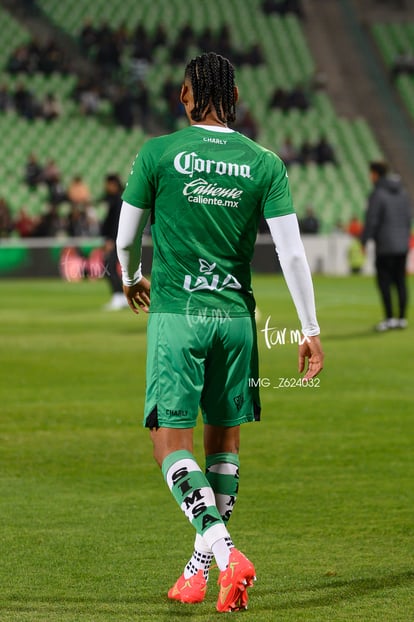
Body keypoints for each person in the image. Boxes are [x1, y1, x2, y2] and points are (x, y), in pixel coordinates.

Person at [116, 52, 323, 613]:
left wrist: (133, 277)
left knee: (169, 443)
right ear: (235, 99)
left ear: (186, 95)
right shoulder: (264, 162)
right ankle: (198, 567)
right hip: (235, 320)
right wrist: (309, 328)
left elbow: (124, 238)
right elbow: (292, 253)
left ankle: (226, 553)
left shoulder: (158, 152)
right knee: (224, 445)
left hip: (178, 316)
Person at [361, 161, 412, 331]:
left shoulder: (378, 194)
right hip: (402, 245)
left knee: (384, 282)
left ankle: (389, 318)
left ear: (375, 174)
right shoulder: (402, 193)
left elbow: (372, 220)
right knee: (400, 281)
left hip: (385, 245)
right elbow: (408, 218)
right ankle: (402, 319)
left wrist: (364, 240)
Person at [101, 173, 128, 310]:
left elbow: (116, 223)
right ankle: (121, 296)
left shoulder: (118, 201)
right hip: (117, 239)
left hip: (116, 239)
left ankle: (119, 296)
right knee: (111, 267)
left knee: (109, 266)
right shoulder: (115, 199)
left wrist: (111, 240)